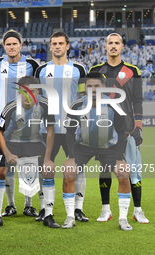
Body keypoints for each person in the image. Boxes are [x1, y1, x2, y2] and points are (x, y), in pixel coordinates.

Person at [89, 33, 148, 223]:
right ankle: (105, 209)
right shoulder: (95, 70)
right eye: (110, 43)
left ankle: (137, 210)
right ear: (105, 46)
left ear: (123, 47)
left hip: (128, 130)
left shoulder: (133, 71)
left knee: (133, 170)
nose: (113, 46)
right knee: (105, 169)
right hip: (104, 129)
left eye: (117, 43)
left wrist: (138, 127)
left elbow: (137, 101)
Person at [62, 72, 132, 230]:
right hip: (83, 146)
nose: (93, 89)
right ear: (85, 88)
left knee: (123, 174)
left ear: (104, 88)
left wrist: (120, 158)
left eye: (97, 86)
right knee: (68, 173)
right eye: (90, 86)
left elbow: (122, 132)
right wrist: (71, 158)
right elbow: (69, 132)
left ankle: (123, 219)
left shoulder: (114, 104)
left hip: (108, 146)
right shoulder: (77, 104)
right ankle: (70, 217)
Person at [34, 31, 87, 224]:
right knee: (45, 169)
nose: (57, 46)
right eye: (54, 43)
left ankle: (78, 209)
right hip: (47, 129)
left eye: (60, 43)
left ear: (67, 46)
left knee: (77, 169)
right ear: (50, 47)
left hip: (73, 129)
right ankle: (44, 209)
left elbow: (83, 98)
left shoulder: (78, 69)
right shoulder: (41, 70)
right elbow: (37, 99)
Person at [0, 76, 55, 229]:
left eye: (32, 92)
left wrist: (47, 159)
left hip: (34, 141)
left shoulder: (45, 105)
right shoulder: (11, 107)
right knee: (1, 171)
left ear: (38, 92)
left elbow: (50, 131)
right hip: (11, 142)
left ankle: (47, 214)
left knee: (47, 170)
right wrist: (7, 153)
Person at [0, 29, 39, 218]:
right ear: (3, 46)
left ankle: (29, 204)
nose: (11, 47)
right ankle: (10, 205)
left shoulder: (31, 65)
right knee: (6, 166)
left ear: (20, 45)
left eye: (15, 43)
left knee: (28, 165)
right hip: (4, 123)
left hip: (27, 121)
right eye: (8, 44)